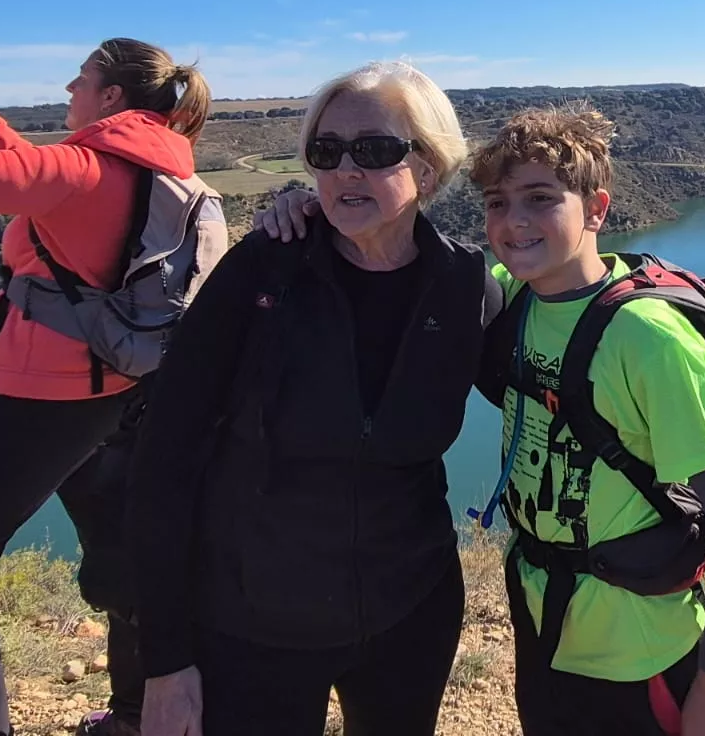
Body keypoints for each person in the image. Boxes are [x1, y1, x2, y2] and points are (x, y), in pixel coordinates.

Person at [260, 105, 705, 736]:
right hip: (546, 625)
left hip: (639, 647)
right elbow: (405, 254)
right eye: (498, 202)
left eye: (540, 198)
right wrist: (307, 210)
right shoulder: (514, 295)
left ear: (596, 210)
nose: (515, 222)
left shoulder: (646, 338)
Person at [129, 61, 503, 736]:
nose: (345, 171)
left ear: (428, 165)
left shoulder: (467, 285)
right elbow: (163, 462)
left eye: (374, 150)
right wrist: (165, 660)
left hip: (410, 610)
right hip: (251, 625)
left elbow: (551, 384)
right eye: (325, 153)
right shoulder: (260, 272)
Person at [0, 39, 217, 736]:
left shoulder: (82, 166)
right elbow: (45, 182)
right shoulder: (155, 163)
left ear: (111, 98)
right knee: (120, 553)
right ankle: (134, 716)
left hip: (46, 393)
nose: (70, 87)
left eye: (82, 78)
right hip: (121, 386)